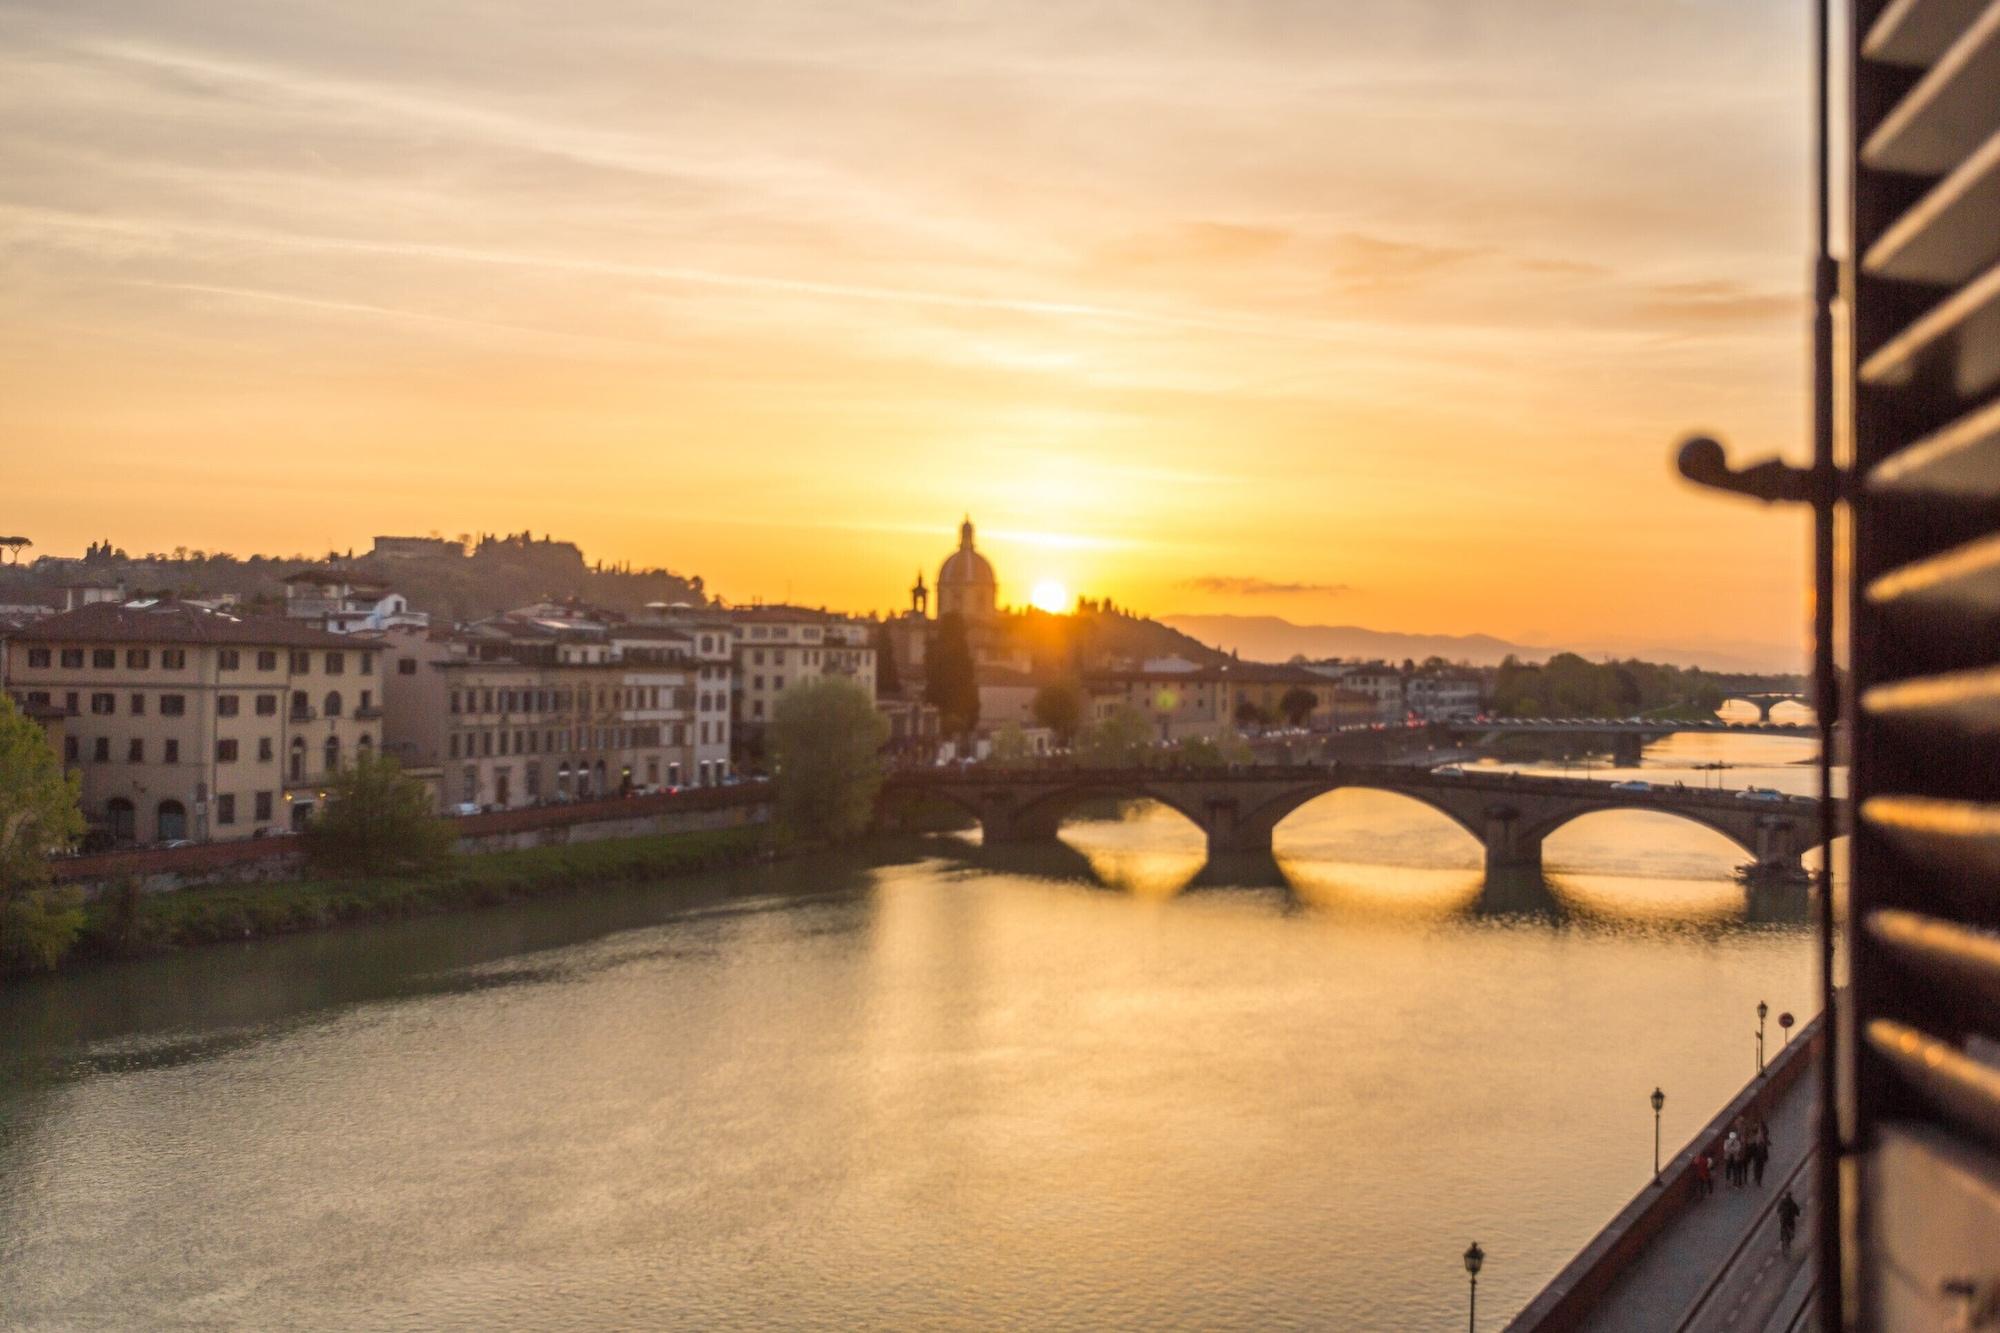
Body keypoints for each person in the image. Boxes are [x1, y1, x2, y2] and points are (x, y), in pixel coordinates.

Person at [1777, 1189, 1801, 1254]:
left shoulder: (1782, 1202)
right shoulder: (1792, 1203)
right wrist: (1798, 1213)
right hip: (1790, 1221)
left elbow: (1778, 1210)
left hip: (1783, 1220)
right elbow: (1797, 1212)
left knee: (1782, 1228)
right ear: (1790, 1196)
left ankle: (1782, 1239)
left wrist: (1780, 1214)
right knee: (1792, 1231)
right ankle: (1789, 1240)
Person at [1751, 1121, 1770, 1187]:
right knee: (1759, 1168)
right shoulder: (1759, 1142)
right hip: (1759, 1156)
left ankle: (1757, 1178)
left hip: (1758, 1156)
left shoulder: (1754, 1141)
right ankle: (1758, 1179)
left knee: (1757, 1167)